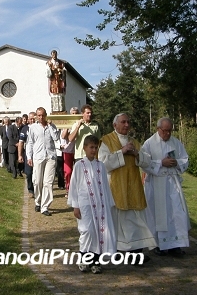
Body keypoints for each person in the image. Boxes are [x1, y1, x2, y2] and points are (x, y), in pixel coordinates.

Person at [98, 113, 157, 257]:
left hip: (133, 185)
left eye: (128, 122)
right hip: (115, 186)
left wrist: (137, 154)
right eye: (123, 122)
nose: (126, 125)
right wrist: (122, 152)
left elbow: (148, 162)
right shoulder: (106, 141)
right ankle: (118, 249)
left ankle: (136, 251)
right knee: (118, 220)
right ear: (114, 125)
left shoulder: (135, 142)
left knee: (135, 220)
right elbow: (102, 163)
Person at [68, 135, 117, 274]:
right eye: (91, 147)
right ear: (84, 148)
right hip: (85, 204)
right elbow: (74, 186)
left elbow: (106, 186)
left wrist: (109, 203)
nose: (94, 150)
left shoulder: (100, 166)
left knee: (99, 232)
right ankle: (83, 258)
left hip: (100, 205)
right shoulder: (79, 165)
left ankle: (95, 262)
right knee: (87, 231)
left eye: (96, 147)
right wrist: (75, 205)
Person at [142, 117, 190, 257]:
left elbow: (185, 159)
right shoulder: (149, 144)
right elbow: (144, 163)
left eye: (170, 131)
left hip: (172, 183)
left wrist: (176, 163)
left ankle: (176, 245)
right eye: (165, 131)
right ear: (158, 129)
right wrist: (160, 162)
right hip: (157, 183)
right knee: (158, 215)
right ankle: (159, 245)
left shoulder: (176, 143)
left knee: (176, 214)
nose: (167, 134)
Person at [26, 107, 60, 216]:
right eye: (39, 115)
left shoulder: (51, 126)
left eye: (43, 115)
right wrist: (29, 157)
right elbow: (30, 142)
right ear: (36, 116)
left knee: (48, 182)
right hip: (38, 156)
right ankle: (38, 201)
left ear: (46, 115)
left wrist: (50, 126)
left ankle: (45, 207)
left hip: (50, 156)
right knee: (37, 181)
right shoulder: (33, 128)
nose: (41, 117)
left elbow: (56, 137)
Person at [61, 107, 79, 194]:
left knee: (77, 171)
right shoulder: (67, 123)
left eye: (76, 113)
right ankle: (68, 189)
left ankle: (76, 189)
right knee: (68, 172)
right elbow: (63, 136)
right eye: (73, 114)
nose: (74, 115)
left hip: (77, 150)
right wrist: (67, 126)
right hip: (67, 150)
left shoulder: (80, 123)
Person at [19, 113, 35, 197]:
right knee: (29, 173)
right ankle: (30, 189)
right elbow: (21, 143)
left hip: (38, 154)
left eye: (33, 118)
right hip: (28, 154)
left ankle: (38, 189)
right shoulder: (24, 129)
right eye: (30, 119)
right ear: (28, 119)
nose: (32, 120)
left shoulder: (39, 128)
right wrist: (20, 155)